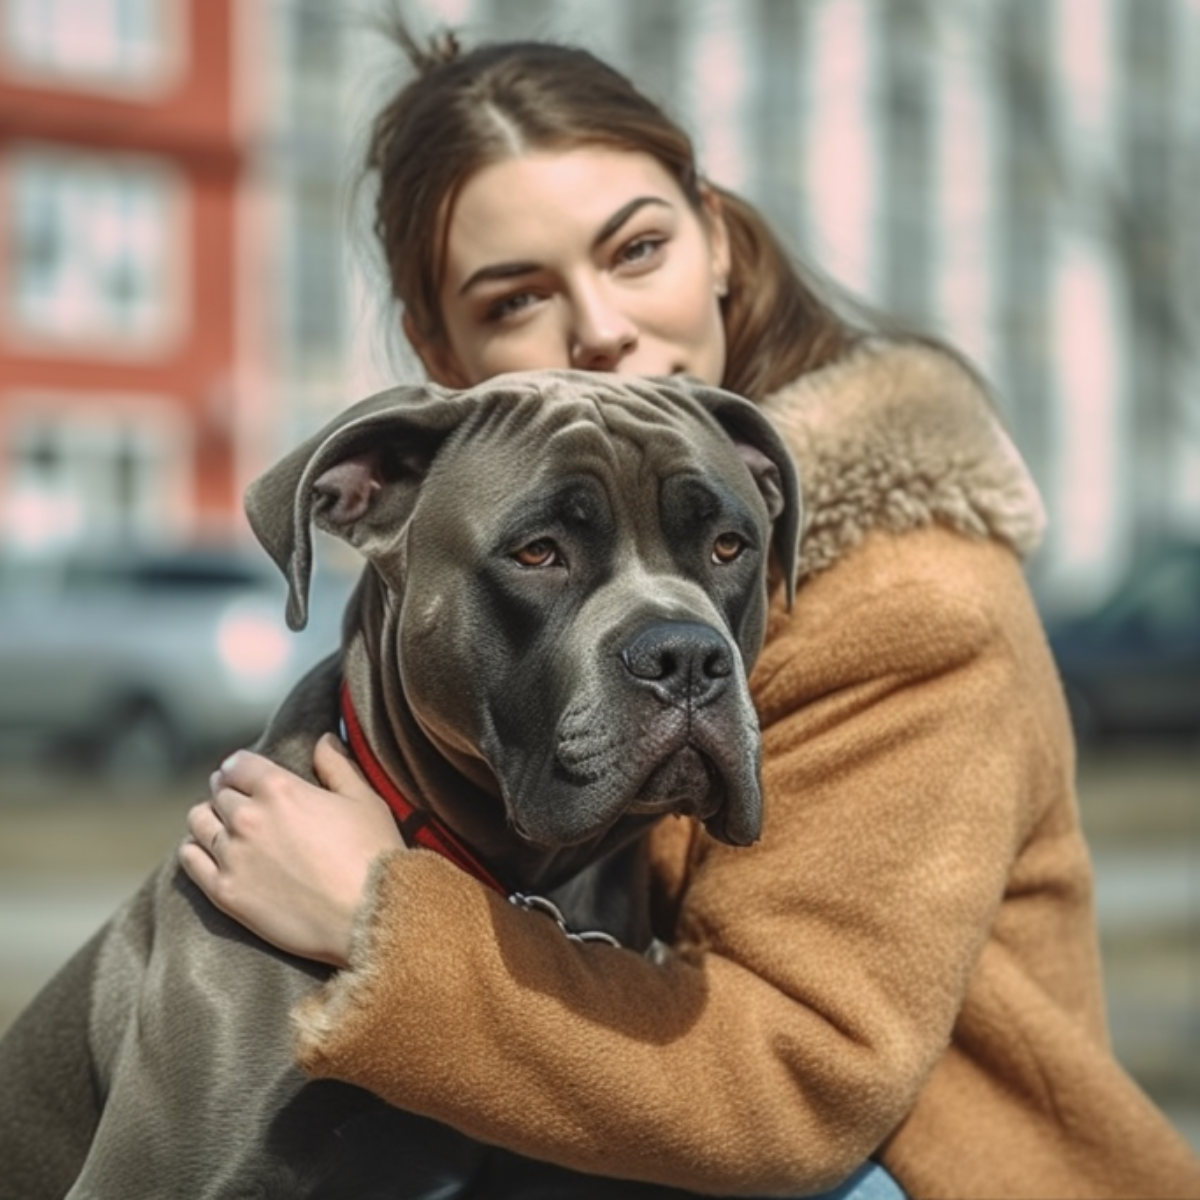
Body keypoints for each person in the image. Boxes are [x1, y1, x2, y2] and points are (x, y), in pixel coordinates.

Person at [179, 23, 1200, 1200]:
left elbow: (792, 1085)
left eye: (638, 249)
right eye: (518, 298)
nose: (600, 325)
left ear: (716, 238)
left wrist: (380, 924)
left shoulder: (906, 599)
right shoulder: (466, 552)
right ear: (439, 348)